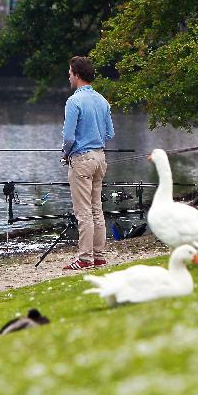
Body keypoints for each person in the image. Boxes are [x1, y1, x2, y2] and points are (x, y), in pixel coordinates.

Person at [61, 56, 115, 270]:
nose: (68, 75)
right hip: (100, 158)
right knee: (96, 209)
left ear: (77, 74)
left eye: (70, 72)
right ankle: (99, 256)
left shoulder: (74, 101)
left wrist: (65, 154)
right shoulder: (103, 101)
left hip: (81, 160)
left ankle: (84, 258)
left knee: (83, 212)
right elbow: (110, 133)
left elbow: (68, 138)